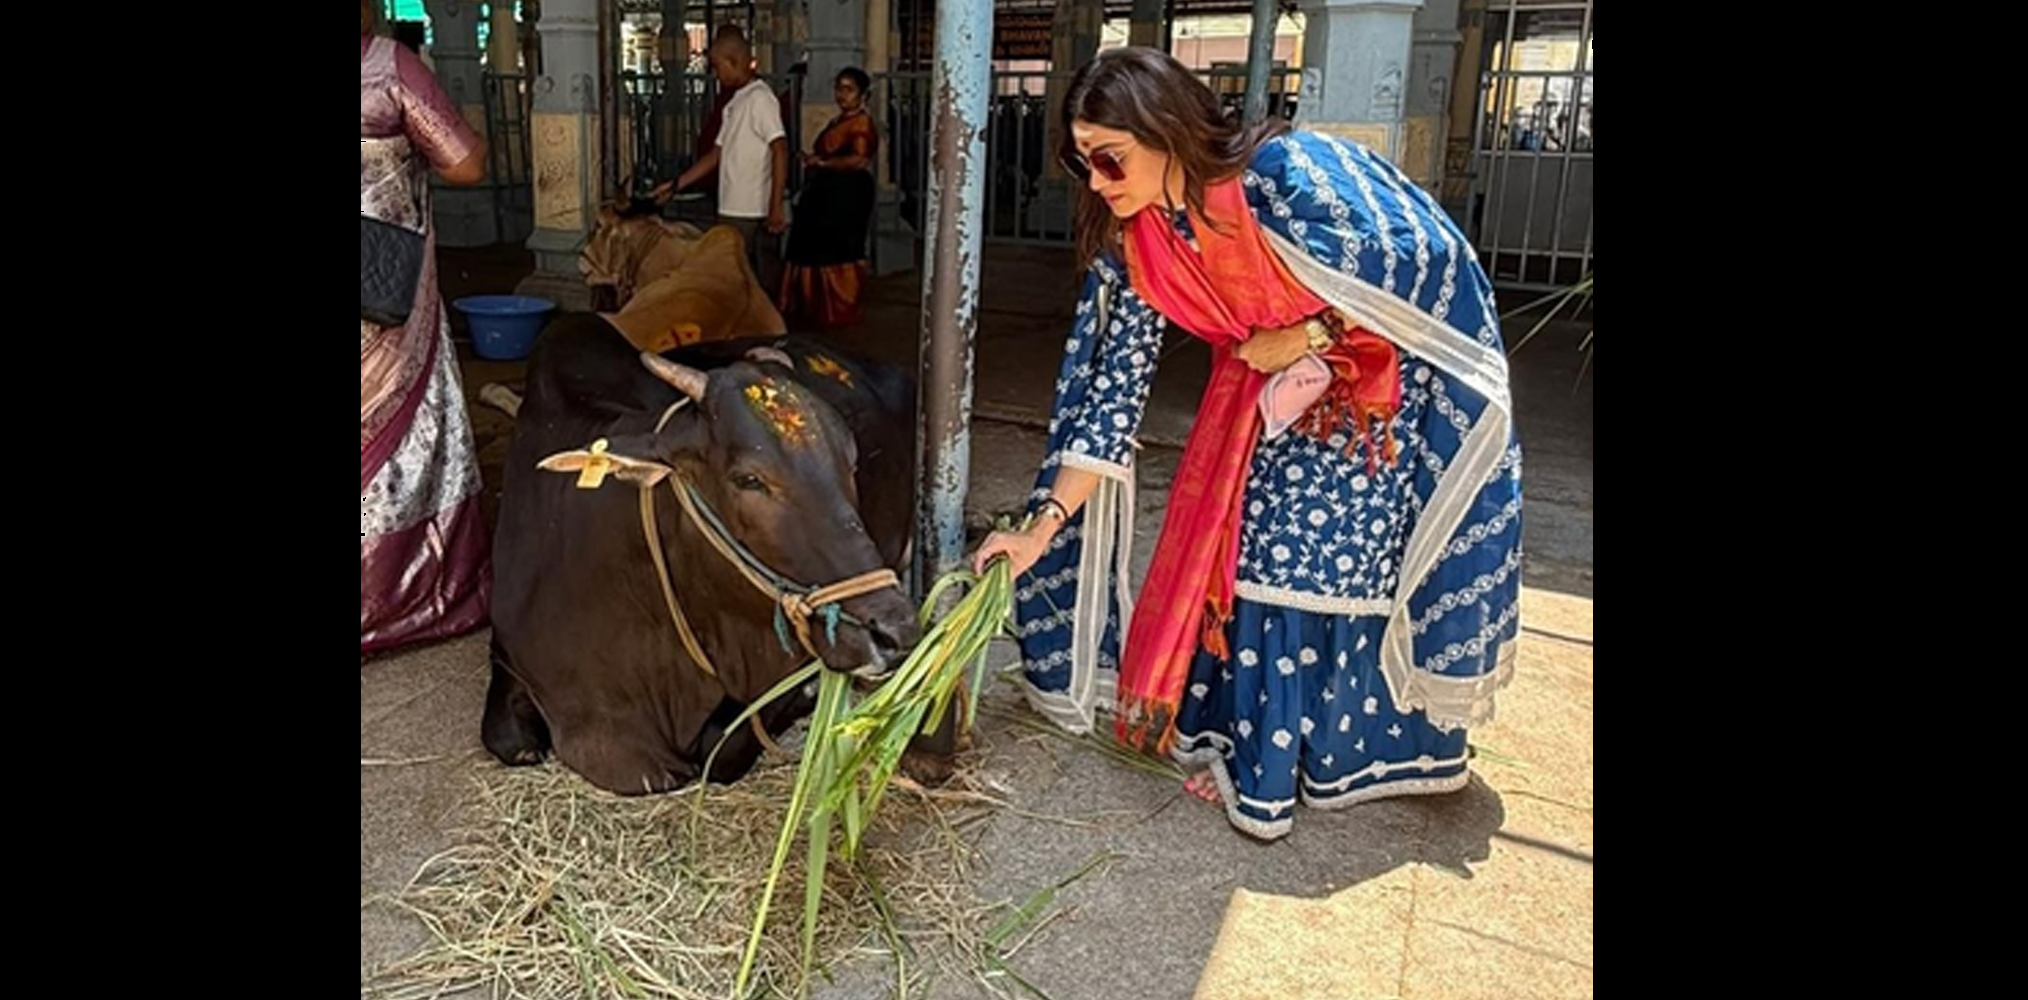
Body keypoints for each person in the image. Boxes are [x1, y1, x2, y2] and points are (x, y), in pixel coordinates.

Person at [969, 48, 1522, 841]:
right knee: (1258, 561)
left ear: (1164, 133)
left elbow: (1425, 262)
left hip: (1381, 394)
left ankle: (1334, 762)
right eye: (1079, 160)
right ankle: (1263, 758)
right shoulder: (1139, 244)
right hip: (1272, 398)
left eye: (1107, 158)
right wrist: (1042, 528)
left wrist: (1311, 330)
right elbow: (1110, 402)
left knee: (1315, 564)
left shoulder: (1288, 177)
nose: (1092, 181)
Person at [361, 0, 492, 655]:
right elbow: (465, 164)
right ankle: (391, 600)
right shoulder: (389, 67)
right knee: (400, 422)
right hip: (380, 286)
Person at [655, 26, 788, 297]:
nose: (716, 74)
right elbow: (716, 155)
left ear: (734, 61)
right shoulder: (735, 102)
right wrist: (676, 184)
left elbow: (780, 150)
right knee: (735, 279)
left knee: (757, 282)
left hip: (753, 208)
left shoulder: (761, 99)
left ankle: (769, 333)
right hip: (732, 205)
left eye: (718, 67)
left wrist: (774, 206)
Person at [780, 66, 879, 328]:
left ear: (863, 95)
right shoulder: (839, 120)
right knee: (813, 244)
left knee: (838, 247)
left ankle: (837, 307)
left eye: (848, 90)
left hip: (847, 194)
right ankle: (813, 306)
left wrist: (823, 163)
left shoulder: (861, 123)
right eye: (839, 88)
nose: (841, 95)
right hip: (826, 191)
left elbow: (859, 159)